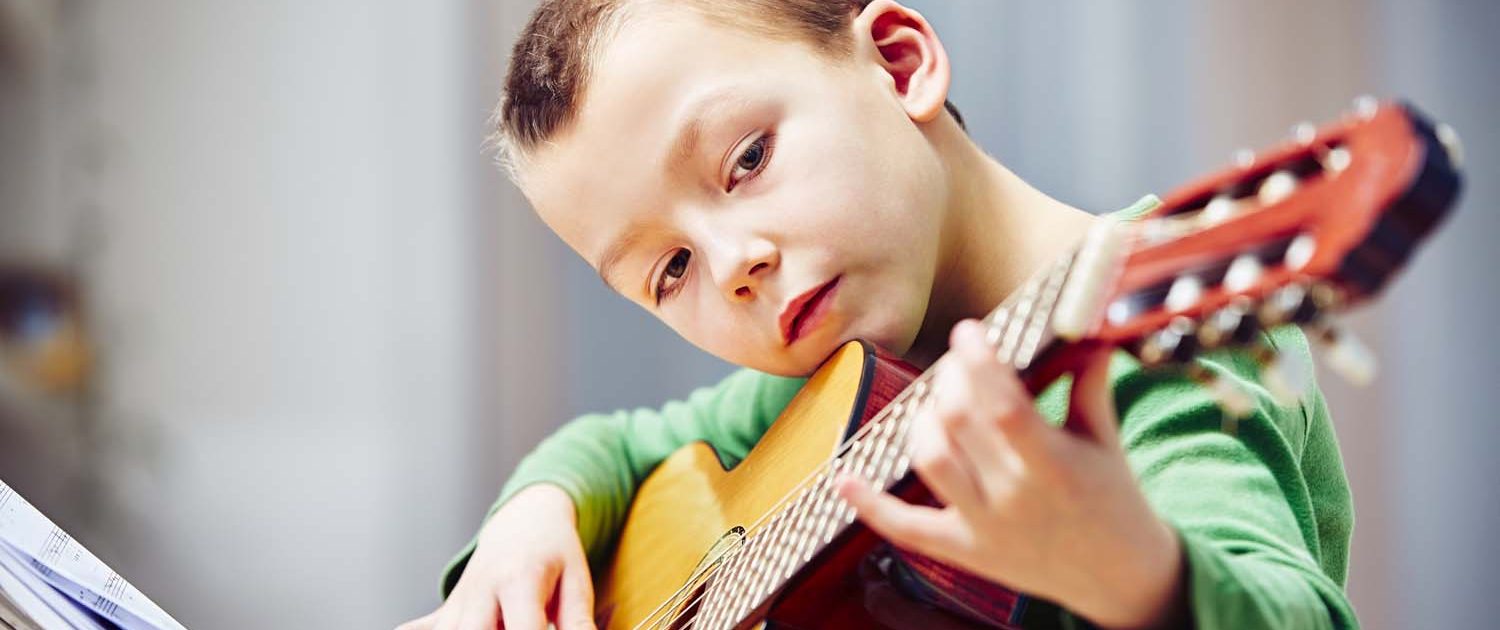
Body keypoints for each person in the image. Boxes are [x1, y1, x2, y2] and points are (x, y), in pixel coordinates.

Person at [401, 1, 1357, 628]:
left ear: (899, 65)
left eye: (746, 160)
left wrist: (1137, 571)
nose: (737, 267)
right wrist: (529, 519)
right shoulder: (832, 396)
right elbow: (621, 444)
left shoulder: (1156, 362)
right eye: (670, 269)